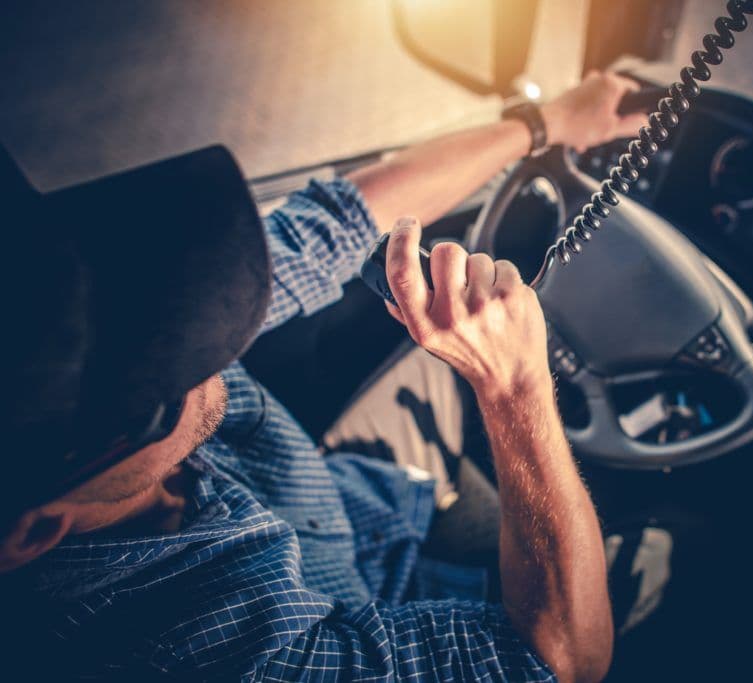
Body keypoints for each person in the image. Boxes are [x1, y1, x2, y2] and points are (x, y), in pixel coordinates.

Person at [0, 72, 650, 681]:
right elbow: (557, 659)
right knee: (638, 577)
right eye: (157, 385)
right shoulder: (213, 654)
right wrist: (515, 387)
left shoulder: (91, 347)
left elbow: (334, 226)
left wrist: (551, 120)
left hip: (372, 498)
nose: (206, 345)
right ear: (33, 530)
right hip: (392, 611)